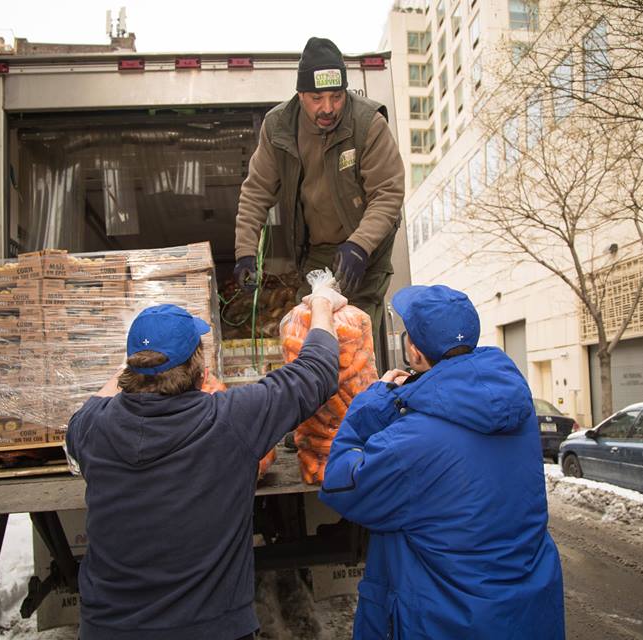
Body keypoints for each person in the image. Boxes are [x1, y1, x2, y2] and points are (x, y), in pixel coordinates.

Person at [64, 290, 345, 640]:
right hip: (212, 629)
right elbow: (316, 371)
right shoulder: (231, 420)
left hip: (107, 630)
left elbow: (96, 402)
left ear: (131, 368)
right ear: (200, 369)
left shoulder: (92, 427)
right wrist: (321, 303)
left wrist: (135, 366)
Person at [319, 285, 565, 639]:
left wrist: (375, 402)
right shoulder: (516, 408)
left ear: (415, 353)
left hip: (448, 620)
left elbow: (341, 482)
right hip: (524, 612)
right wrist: (412, 395)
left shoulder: (412, 440)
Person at [234, 36, 405, 371]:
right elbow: (256, 192)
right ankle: (317, 418)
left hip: (365, 251)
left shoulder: (368, 123)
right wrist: (244, 251)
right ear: (301, 95)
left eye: (336, 96)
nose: (328, 107)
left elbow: (388, 194)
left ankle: (359, 415)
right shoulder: (278, 126)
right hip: (317, 252)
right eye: (317, 98)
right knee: (309, 336)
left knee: (354, 339)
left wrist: (360, 246)